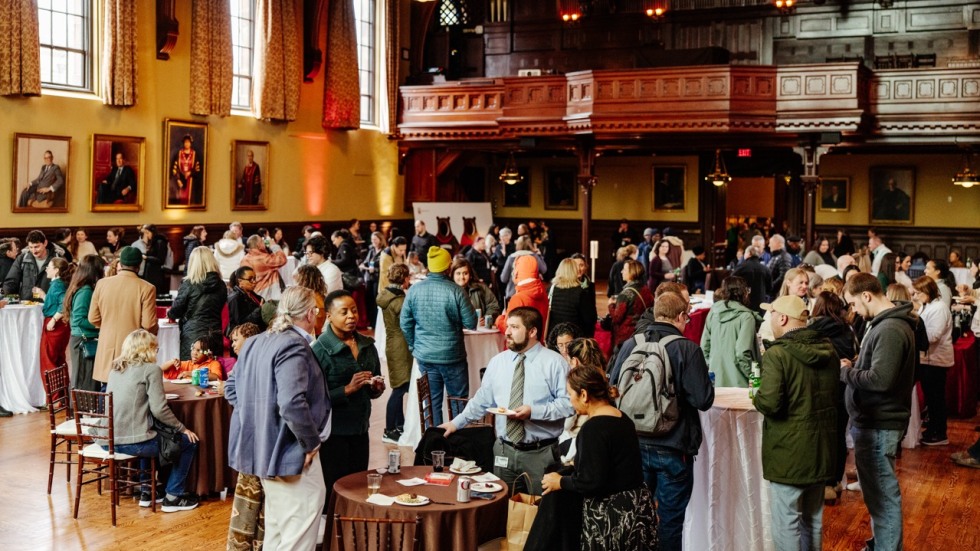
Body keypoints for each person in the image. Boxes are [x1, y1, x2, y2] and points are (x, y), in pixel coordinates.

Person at [226, 287, 331, 550]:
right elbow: (291, 403)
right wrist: (310, 443)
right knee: (297, 531)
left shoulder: (254, 342)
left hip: (262, 450)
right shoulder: (294, 344)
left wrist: (258, 416)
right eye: (316, 312)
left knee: (276, 529)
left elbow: (231, 388)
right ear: (309, 314)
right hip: (290, 452)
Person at [609, 291, 714, 550]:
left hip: (633, 444)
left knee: (635, 518)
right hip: (673, 447)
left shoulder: (630, 344)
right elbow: (703, 400)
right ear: (680, 316)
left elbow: (612, 387)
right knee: (669, 523)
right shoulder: (687, 348)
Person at [441, 307, 572, 494]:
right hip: (504, 451)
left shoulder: (555, 363)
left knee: (540, 512)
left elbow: (568, 405)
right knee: (503, 509)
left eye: (514, 327)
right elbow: (482, 400)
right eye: (508, 326)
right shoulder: (497, 362)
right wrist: (456, 423)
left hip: (540, 454)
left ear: (533, 331)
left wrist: (533, 412)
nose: (507, 332)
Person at [540, 365, 658, 551]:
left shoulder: (592, 429)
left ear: (584, 395)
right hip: (637, 511)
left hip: (612, 517)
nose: (570, 401)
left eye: (571, 394)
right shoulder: (622, 418)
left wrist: (560, 481)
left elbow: (591, 481)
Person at [754, 295, 839, 551]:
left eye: (771, 314)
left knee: (786, 520)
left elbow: (769, 403)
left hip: (788, 450)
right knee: (813, 519)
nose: (769, 319)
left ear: (782, 318)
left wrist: (756, 397)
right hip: (821, 447)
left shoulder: (777, 354)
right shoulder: (829, 350)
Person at [840, 273, 916, 551]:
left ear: (867, 296)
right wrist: (857, 364)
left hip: (879, 422)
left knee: (883, 497)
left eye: (854, 304)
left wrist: (847, 372)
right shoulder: (886, 325)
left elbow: (881, 380)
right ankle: (880, 544)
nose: (854, 311)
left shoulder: (890, 329)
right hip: (875, 421)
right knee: (877, 495)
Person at [103, 329, 200, 512]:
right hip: (132, 442)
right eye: (155, 348)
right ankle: (173, 496)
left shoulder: (116, 368)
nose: (157, 352)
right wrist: (182, 428)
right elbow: (159, 409)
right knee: (188, 442)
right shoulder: (151, 370)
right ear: (146, 349)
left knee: (150, 432)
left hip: (108, 439)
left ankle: (148, 491)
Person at [311, 290, 384, 508]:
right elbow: (314, 399)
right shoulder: (319, 351)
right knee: (335, 492)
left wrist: (376, 388)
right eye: (344, 312)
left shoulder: (367, 345)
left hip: (360, 429)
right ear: (329, 316)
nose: (351, 316)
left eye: (354, 310)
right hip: (333, 434)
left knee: (359, 486)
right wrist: (347, 389)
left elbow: (373, 390)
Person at [400, 246, 477, 426]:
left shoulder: (414, 290)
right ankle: (458, 443)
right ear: (448, 267)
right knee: (458, 402)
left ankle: (434, 446)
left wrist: (414, 346)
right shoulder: (456, 291)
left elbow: (405, 323)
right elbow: (471, 323)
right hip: (452, 356)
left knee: (431, 403)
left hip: (425, 356)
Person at [808, 291, 858, 501]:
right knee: (838, 434)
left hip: (822, 387)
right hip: (844, 385)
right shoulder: (848, 329)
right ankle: (835, 481)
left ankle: (825, 483)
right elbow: (855, 352)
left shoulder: (812, 329)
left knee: (823, 436)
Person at [89, 246, 159, 386]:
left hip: (107, 345)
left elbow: (92, 318)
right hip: (134, 349)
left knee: (107, 390)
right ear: (139, 266)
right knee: (130, 393)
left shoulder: (102, 284)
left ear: (120, 263)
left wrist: (108, 327)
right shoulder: (147, 288)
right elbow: (148, 323)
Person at [912, 276, 954, 446]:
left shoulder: (940, 308)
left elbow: (933, 336)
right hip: (928, 360)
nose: (915, 296)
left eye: (918, 292)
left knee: (936, 398)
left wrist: (913, 334)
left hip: (936, 360)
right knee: (931, 398)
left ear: (927, 291)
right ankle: (933, 429)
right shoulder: (928, 305)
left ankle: (940, 433)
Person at [701, 276, 762, 387]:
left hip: (716, 380)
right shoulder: (747, 317)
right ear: (744, 292)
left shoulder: (713, 312)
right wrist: (754, 377)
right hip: (741, 381)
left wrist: (713, 366)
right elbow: (742, 353)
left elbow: (704, 346)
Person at [167, 247, 225, 360]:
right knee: (213, 370)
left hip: (193, 334)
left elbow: (177, 309)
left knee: (192, 372)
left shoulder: (189, 284)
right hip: (214, 333)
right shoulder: (221, 285)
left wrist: (170, 314)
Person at [377, 264, 412, 444]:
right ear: (404, 278)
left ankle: (399, 424)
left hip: (393, 343)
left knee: (401, 385)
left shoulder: (387, 296)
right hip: (401, 345)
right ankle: (389, 429)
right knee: (399, 389)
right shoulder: (399, 301)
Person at [64, 255, 106, 394]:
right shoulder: (86, 291)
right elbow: (79, 320)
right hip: (83, 340)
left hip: (81, 339)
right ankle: (83, 414)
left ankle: (83, 412)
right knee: (85, 382)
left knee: (85, 380)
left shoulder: (82, 288)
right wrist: (101, 325)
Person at [38, 258, 74, 397]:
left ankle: (55, 398)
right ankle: (61, 394)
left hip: (55, 326)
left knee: (48, 360)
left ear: (56, 270)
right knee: (58, 359)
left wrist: (53, 320)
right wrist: (44, 296)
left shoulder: (57, 285)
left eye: (49, 266)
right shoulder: (59, 284)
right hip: (61, 325)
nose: (47, 269)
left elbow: (64, 303)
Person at [2, 230, 66, 300]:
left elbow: (66, 281)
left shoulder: (58, 259)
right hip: (27, 305)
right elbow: (11, 282)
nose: (34, 251)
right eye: (31, 247)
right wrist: (4, 296)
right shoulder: (22, 258)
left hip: (49, 304)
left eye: (36, 247)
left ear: (45, 243)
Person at [608, 259, 654, 352]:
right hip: (642, 333)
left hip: (625, 338)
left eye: (624, 269)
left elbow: (617, 318)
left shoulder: (626, 293)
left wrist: (611, 305)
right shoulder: (646, 290)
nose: (621, 272)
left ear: (632, 272)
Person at [496, 254, 550, 333]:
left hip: (520, 345)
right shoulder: (543, 293)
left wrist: (500, 319)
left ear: (517, 273)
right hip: (537, 344)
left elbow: (508, 330)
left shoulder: (518, 298)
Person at [548, 259, 598, 338]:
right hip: (574, 337)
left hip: (555, 336)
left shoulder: (551, 289)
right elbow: (590, 319)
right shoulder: (581, 292)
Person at [760, 267, 810, 343]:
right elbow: (765, 333)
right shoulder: (776, 306)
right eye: (801, 282)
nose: (804, 286)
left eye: (806, 283)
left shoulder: (810, 305)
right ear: (788, 283)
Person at [451, 257, 500, 323]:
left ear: (470, 275)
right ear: (452, 275)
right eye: (458, 273)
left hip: (479, 330)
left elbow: (493, 306)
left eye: (465, 273)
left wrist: (486, 319)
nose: (462, 277)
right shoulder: (447, 291)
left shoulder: (481, 288)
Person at [500, 235, 548, 302]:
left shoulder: (511, 257)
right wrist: (540, 256)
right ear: (530, 244)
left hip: (513, 294)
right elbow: (544, 270)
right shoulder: (534, 256)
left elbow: (503, 278)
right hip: (531, 294)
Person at [241, 234, 287, 300]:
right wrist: (274, 245)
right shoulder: (264, 259)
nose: (264, 242)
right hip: (266, 293)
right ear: (258, 245)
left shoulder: (244, 259)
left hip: (253, 292)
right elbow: (282, 259)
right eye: (262, 241)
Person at [227, 266, 265, 337]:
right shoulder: (235, 298)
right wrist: (259, 310)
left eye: (255, 278)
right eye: (250, 279)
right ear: (240, 281)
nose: (254, 281)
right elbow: (239, 324)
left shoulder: (253, 295)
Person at [732, 245, 772, 313]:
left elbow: (731, 283)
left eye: (745, 253)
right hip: (761, 305)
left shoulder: (740, 268)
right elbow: (770, 288)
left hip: (744, 305)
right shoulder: (766, 269)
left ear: (749, 253)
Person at [359, 231, 386, 327]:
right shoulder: (371, 251)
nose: (373, 241)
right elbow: (366, 262)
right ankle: (371, 321)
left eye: (375, 239)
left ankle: (376, 323)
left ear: (380, 239)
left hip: (378, 279)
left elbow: (384, 266)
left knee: (376, 300)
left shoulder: (384, 251)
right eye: (372, 239)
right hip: (369, 279)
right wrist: (364, 266)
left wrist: (374, 269)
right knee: (369, 300)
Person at [293, 264, 329, 335]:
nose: (295, 281)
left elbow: (316, 326)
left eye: (298, 278)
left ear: (305, 280)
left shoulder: (316, 300)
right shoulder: (310, 296)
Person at [137, 224, 171, 296]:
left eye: (147, 233)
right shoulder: (152, 242)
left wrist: (146, 257)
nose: (146, 235)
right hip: (150, 274)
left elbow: (160, 260)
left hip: (156, 275)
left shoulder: (160, 242)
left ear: (152, 232)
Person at [169, 134, 202, 205]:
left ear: (190, 143)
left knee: (190, 200)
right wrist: (178, 179)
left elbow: (198, 169)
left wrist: (190, 173)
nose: (187, 144)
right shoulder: (179, 153)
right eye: (185, 142)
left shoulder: (194, 154)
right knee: (179, 199)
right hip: (180, 180)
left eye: (188, 142)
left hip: (191, 182)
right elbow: (175, 167)